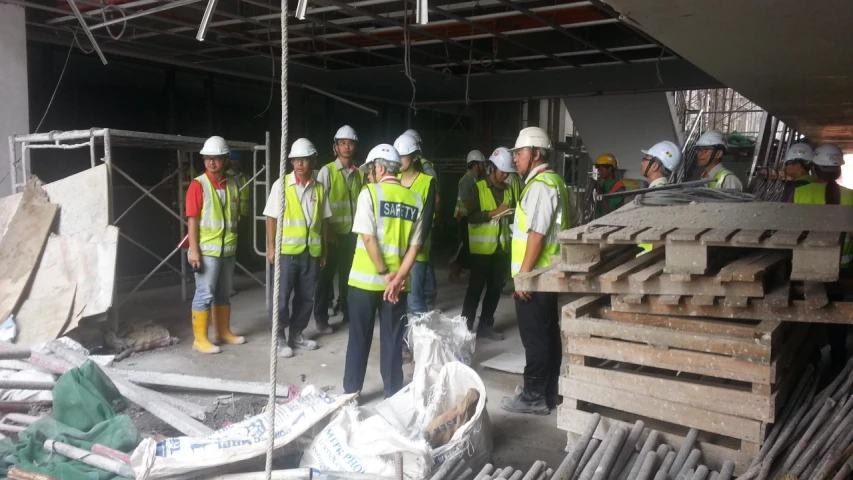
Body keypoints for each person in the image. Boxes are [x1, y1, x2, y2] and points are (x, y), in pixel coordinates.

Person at [343, 144, 425, 398]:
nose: (370, 174)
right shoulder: (415, 199)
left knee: (359, 338)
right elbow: (415, 246)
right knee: (392, 340)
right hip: (398, 287)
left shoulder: (370, 193)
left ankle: (352, 393)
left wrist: (383, 273)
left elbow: (368, 239)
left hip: (365, 282)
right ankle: (393, 393)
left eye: (371, 169)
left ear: (379, 167)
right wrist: (397, 278)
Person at [501, 127, 570, 415]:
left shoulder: (541, 186)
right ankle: (549, 392)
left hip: (536, 277)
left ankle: (533, 397)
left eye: (520, 153)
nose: (515, 158)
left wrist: (524, 278)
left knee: (536, 340)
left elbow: (537, 235)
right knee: (548, 335)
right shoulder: (555, 183)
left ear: (536, 154)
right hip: (547, 274)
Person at [263, 138, 331, 358]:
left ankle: (297, 334)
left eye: (304, 159)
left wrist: (324, 251)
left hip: (311, 252)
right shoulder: (281, 185)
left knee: (306, 297)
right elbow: (271, 218)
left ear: (312, 161)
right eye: (296, 160)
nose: (300, 163)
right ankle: (280, 337)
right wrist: (271, 247)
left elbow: (324, 221)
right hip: (287, 253)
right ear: (291, 162)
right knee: (281, 297)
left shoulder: (319, 188)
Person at [788, 143, 853, 373]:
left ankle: (812, 362)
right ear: (838, 170)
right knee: (835, 319)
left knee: (810, 318)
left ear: (814, 168)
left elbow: (790, 233)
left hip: (808, 268)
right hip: (841, 271)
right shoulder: (851, 197)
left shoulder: (799, 193)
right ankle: (838, 360)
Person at [185, 136, 246, 354]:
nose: (212, 163)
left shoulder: (232, 184)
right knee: (205, 294)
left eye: (216, 159)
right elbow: (192, 219)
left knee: (223, 293)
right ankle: (200, 339)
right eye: (208, 159)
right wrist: (194, 251)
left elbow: (234, 216)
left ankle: (223, 332)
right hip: (206, 250)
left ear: (225, 159)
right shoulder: (197, 185)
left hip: (227, 249)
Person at [462, 147, 517, 341]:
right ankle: (465, 329)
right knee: (475, 289)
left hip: (501, 250)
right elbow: (471, 217)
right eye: (503, 172)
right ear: (492, 168)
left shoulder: (509, 190)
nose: (505, 176)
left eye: (508, 173)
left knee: (494, 290)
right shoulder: (477, 188)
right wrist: (493, 213)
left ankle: (486, 325)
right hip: (481, 252)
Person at [314, 125, 362, 333]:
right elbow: (319, 204)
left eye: (350, 143)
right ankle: (321, 319)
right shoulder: (327, 172)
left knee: (349, 277)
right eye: (342, 143)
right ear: (336, 147)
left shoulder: (358, 173)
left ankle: (348, 312)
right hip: (331, 234)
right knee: (325, 278)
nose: (347, 147)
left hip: (352, 234)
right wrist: (328, 231)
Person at [394, 133, 437, 317]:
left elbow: (426, 221)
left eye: (403, 156)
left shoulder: (427, 182)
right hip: (395, 250)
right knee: (397, 301)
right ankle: (402, 341)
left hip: (417, 252)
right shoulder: (393, 179)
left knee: (415, 301)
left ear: (415, 156)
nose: (399, 160)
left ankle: (420, 343)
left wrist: (413, 247)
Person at [637, 141, 683, 254]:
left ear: (654, 166)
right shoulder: (663, 191)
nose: (641, 162)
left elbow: (663, 231)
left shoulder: (658, 195)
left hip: (647, 258)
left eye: (645, 159)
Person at [449, 150, 487, 283]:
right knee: (464, 247)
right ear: (475, 164)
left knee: (469, 247)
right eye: (482, 164)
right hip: (465, 218)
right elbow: (466, 202)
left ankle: (464, 272)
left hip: (471, 218)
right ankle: (454, 273)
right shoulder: (467, 180)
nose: (484, 167)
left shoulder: (476, 179)